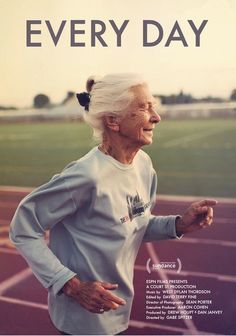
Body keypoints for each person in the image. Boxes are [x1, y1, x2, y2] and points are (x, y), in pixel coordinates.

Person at [9, 73, 217, 335]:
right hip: (81, 322)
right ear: (113, 121)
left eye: (153, 106)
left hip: (119, 313)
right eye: (144, 108)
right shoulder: (86, 176)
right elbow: (23, 229)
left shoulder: (144, 165)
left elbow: (134, 224)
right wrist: (72, 286)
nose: (156, 116)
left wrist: (178, 224)